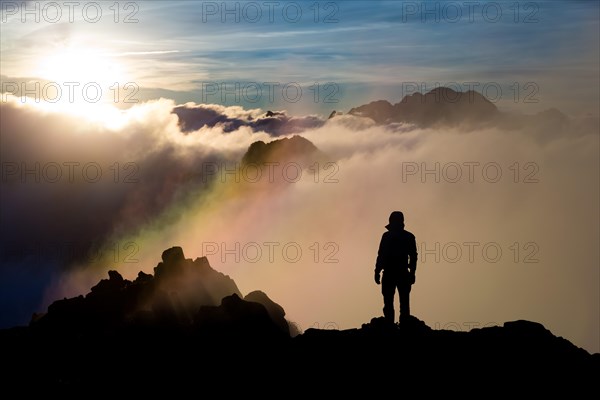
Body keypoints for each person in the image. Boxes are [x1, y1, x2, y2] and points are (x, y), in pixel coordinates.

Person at [374, 211, 418, 324]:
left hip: (392, 273)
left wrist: (377, 271)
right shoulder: (408, 236)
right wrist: (412, 273)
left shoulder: (387, 236)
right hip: (400, 273)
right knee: (401, 302)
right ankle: (402, 326)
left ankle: (392, 326)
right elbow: (413, 257)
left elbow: (381, 255)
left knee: (391, 302)